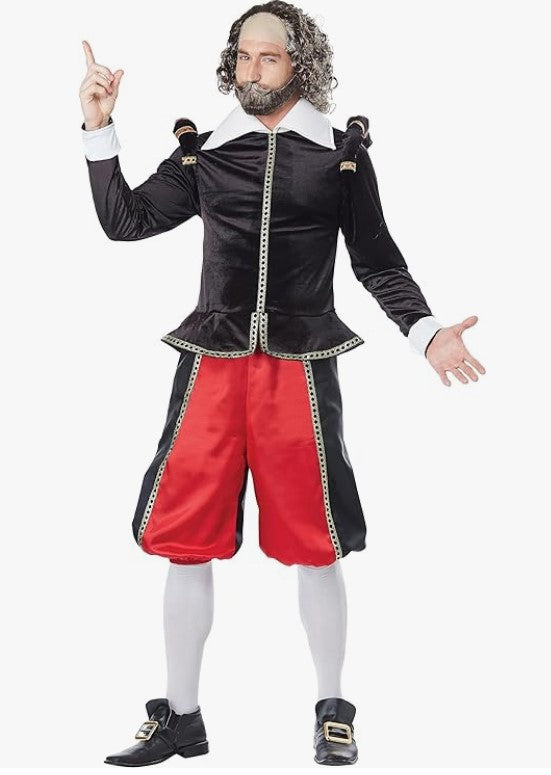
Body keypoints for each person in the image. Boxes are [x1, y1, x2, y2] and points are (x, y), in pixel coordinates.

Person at [79, 2, 485, 767]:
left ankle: (332, 709)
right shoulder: (206, 155)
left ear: (300, 62)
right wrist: (99, 127)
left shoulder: (338, 156)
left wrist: (426, 332)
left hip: (299, 368)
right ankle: (181, 717)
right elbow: (124, 221)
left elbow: (377, 260)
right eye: (242, 56)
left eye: (267, 56)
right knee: (185, 538)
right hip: (211, 364)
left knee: (314, 541)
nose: (251, 69)